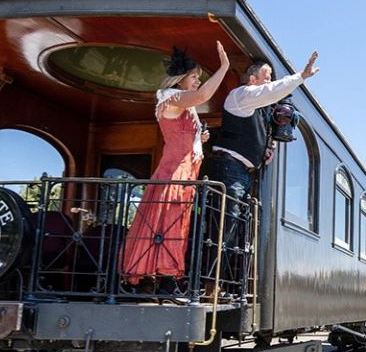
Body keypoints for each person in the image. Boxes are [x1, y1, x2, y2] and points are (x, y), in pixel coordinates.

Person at [122, 42, 229, 288]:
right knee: (168, 225)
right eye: (194, 77)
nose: (197, 82)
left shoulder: (181, 104)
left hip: (185, 171)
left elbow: (183, 131)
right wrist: (224, 68)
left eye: (198, 78)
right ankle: (165, 279)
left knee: (173, 225)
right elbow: (202, 97)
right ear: (180, 78)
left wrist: (198, 138)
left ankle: (163, 279)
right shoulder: (169, 97)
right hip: (175, 171)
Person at [205, 52, 320, 201]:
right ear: (252, 79)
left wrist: (265, 149)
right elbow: (271, 91)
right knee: (227, 220)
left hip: (241, 171)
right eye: (267, 78)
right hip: (229, 167)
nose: (270, 82)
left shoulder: (256, 107)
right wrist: (301, 76)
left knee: (234, 220)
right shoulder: (241, 95)